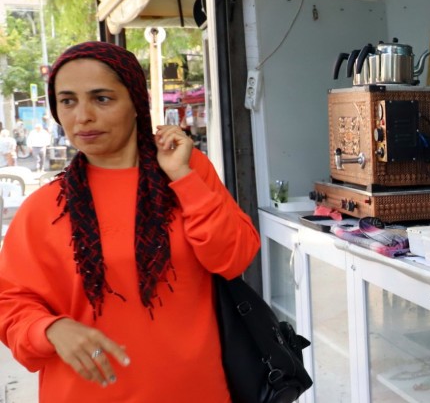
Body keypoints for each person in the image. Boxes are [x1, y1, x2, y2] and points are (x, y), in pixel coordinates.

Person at [0, 42, 261, 402]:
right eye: (68, 101)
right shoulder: (44, 208)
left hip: (194, 390)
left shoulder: (187, 172)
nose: (83, 116)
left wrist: (183, 178)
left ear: (136, 102)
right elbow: (10, 303)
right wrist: (50, 329)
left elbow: (235, 257)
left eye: (102, 98)